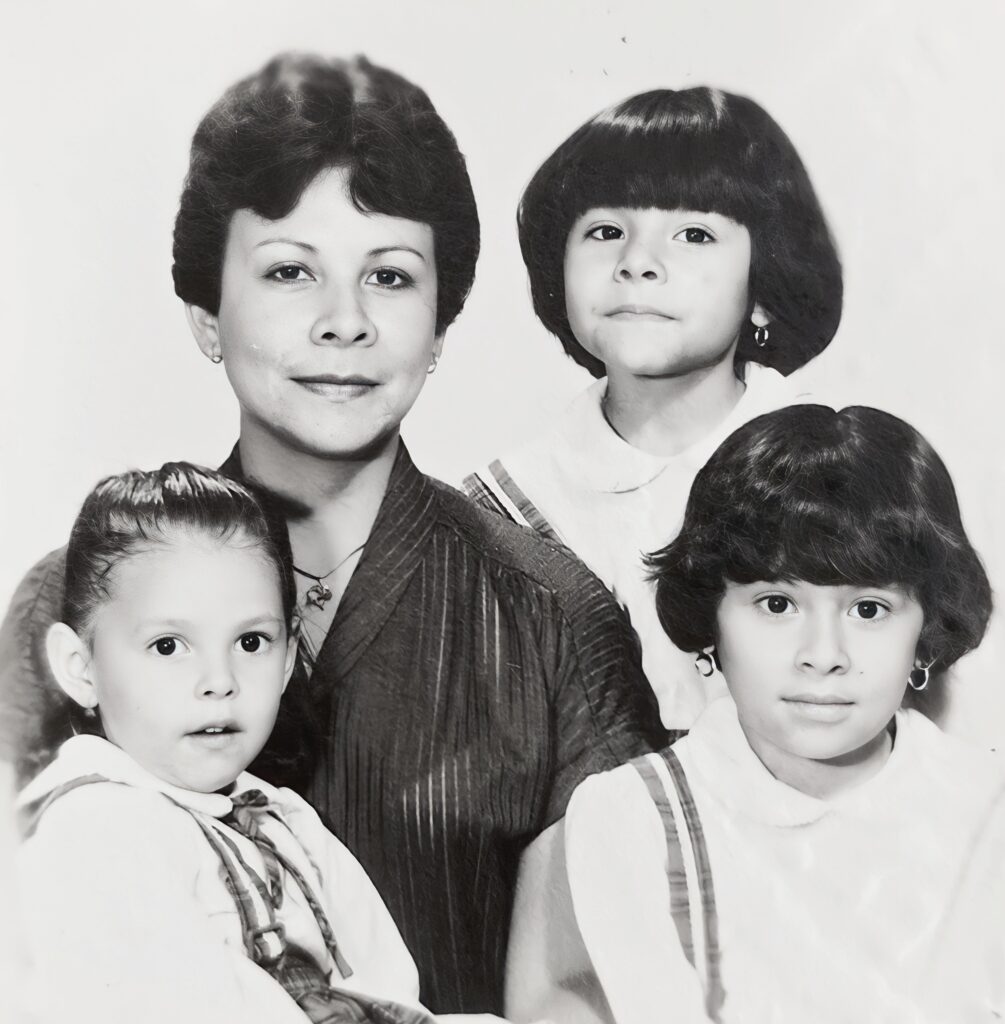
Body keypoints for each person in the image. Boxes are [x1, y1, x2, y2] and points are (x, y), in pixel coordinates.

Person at [0, 54, 664, 1016]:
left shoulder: (552, 617)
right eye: (287, 273)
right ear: (204, 313)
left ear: (440, 328)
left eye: (389, 277)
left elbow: (602, 985)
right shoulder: (72, 595)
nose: (343, 322)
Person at [551, 406, 1004, 1023]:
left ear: (926, 631)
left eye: (868, 610)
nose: (823, 656)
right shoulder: (634, 817)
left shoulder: (988, 811)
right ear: (711, 619)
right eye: (776, 603)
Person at [464, 88, 843, 731]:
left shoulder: (840, 465)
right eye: (606, 231)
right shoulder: (506, 508)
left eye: (693, 234)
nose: (637, 263)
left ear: (763, 289)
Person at [16, 463, 447, 1024]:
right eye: (168, 646)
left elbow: (394, 994)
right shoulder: (96, 828)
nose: (219, 680)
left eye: (251, 641)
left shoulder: (286, 822)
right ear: (80, 668)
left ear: (290, 656)